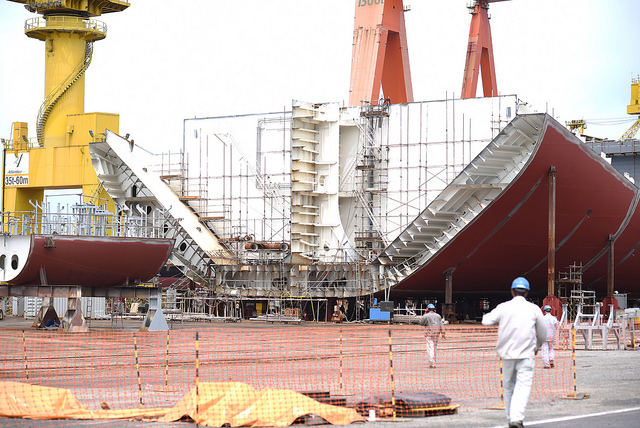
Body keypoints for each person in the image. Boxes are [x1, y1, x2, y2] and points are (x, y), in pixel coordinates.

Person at [482, 277, 547, 428]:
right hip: (526, 355)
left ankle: (511, 418)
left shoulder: (504, 307)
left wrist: (501, 321)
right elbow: (543, 333)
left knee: (509, 387)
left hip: (507, 355)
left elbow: (486, 320)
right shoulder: (534, 309)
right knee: (523, 386)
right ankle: (516, 419)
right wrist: (536, 347)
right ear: (527, 293)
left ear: (512, 291)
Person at [419, 303, 444, 368]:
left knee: (430, 348)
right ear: (434, 310)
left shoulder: (426, 316)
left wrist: (424, 313)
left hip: (429, 334)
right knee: (434, 348)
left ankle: (432, 363)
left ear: (427, 309)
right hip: (437, 334)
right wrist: (443, 333)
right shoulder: (438, 316)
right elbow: (441, 325)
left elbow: (421, 323)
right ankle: (433, 362)